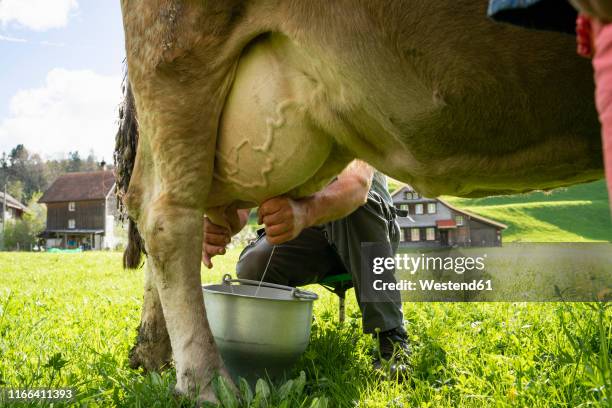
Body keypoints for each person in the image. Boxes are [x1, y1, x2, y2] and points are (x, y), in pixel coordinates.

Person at [202, 160, 409, 374]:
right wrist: (219, 224)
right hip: (314, 235)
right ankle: (276, 338)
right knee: (254, 264)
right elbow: (241, 210)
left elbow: (357, 186)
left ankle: (390, 338)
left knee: (359, 208)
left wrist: (304, 211)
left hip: (367, 229)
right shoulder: (272, 138)